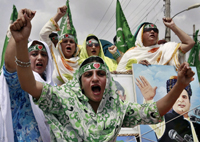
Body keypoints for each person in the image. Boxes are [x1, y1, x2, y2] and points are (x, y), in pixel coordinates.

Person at [10, 8, 196, 141]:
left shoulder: (118, 108)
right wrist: (20, 42)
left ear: (108, 80)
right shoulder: (63, 99)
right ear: (80, 82)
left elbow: (155, 111)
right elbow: (29, 85)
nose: (95, 78)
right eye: (88, 75)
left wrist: (180, 85)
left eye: (100, 73)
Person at [0, 9, 54, 141]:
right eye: (34, 54)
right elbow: (10, 66)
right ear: (25, 57)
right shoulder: (20, 83)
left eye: (43, 54)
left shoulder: (53, 88)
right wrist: (19, 40)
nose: (39, 58)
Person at [136, 76, 200, 141]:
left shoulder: (197, 125)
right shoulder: (164, 120)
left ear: (189, 103)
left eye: (184, 97)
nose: (181, 100)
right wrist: (148, 99)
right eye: (177, 96)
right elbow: (149, 116)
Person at [116, 19, 195, 71]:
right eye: (148, 30)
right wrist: (137, 68)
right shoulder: (130, 53)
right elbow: (119, 75)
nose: (152, 32)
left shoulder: (165, 49)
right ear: (141, 35)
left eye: (155, 30)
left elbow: (190, 43)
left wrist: (172, 26)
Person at [40, 5, 80, 85]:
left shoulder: (80, 62)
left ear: (76, 47)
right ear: (60, 45)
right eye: (65, 41)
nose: (68, 43)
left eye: (71, 42)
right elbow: (43, 34)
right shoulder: (55, 56)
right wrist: (58, 16)